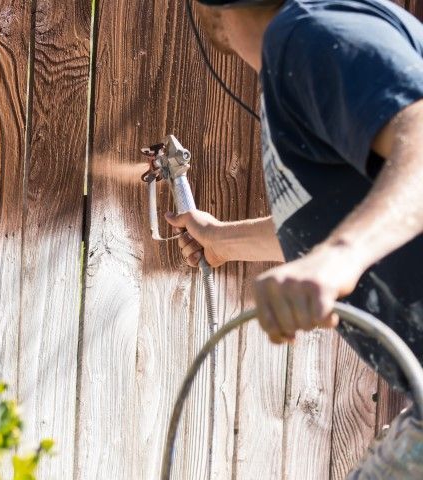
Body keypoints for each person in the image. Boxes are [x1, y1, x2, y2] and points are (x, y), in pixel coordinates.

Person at [164, 0, 423, 475]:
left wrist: (340, 259)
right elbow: (348, 217)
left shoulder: (305, 33)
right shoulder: (315, 39)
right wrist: (221, 239)